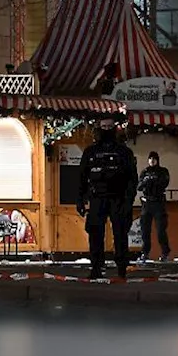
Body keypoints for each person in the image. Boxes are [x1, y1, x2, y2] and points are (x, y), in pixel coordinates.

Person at [77, 118, 138, 279]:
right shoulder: (90, 152)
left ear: (115, 128)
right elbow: (82, 177)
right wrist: (80, 198)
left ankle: (122, 268)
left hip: (118, 198)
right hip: (97, 197)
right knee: (95, 232)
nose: (106, 129)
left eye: (110, 126)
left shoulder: (124, 152)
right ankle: (96, 267)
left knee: (120, 233)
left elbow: (133, 178)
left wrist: (128, 200)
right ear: (99, 128)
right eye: (104, 126)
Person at [137, 150, 171, 262]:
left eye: (154, 159)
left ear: (157, 160)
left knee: (161, 230)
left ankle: (165, 252)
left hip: (158, 203)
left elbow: (164, 183)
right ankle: (145, 253)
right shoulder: (145, 172)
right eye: (150, 159)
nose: (152, 161)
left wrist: (153, 180)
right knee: (145, 231)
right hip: (147, 203)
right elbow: (139, 186)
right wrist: (147, 180)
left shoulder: (162, 171)